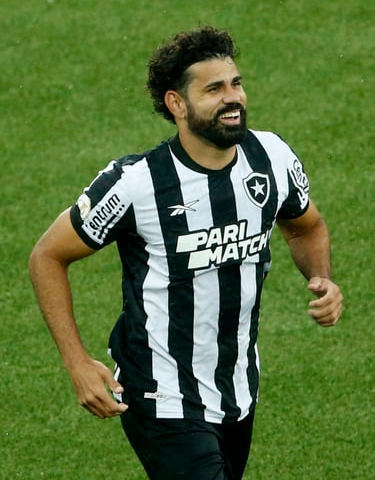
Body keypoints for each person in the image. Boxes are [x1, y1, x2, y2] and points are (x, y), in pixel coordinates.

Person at [28, 26, 343, 479]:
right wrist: (76, 362)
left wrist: (322, 278)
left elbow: (305, 227)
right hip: (161, 394)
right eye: (213, 89)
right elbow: (47, 256)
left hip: (237, 387)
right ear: (177, 104)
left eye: (235, 83)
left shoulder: (271, 157)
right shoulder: (136, 184)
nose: (232, 98)